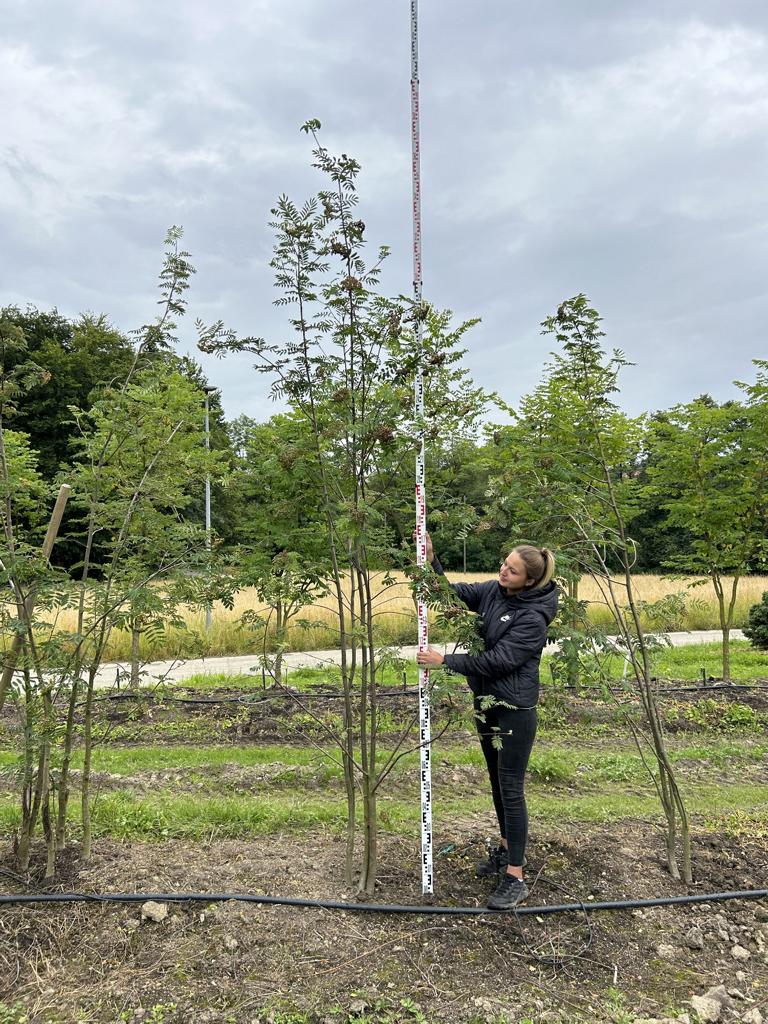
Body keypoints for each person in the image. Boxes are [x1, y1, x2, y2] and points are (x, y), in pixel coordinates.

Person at [416, 534, 558, 910]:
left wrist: (444, 661)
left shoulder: (533, 618)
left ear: (529, 580)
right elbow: (449, 595)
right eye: (504, 564)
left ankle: (516, 876)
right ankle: (506, 849)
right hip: (486, 703)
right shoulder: (495, 592)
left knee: (511, 788)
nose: (503, 571)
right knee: (497, 783)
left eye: (512, 571)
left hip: (513, 710)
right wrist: (431, 562)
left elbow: (497, 661)